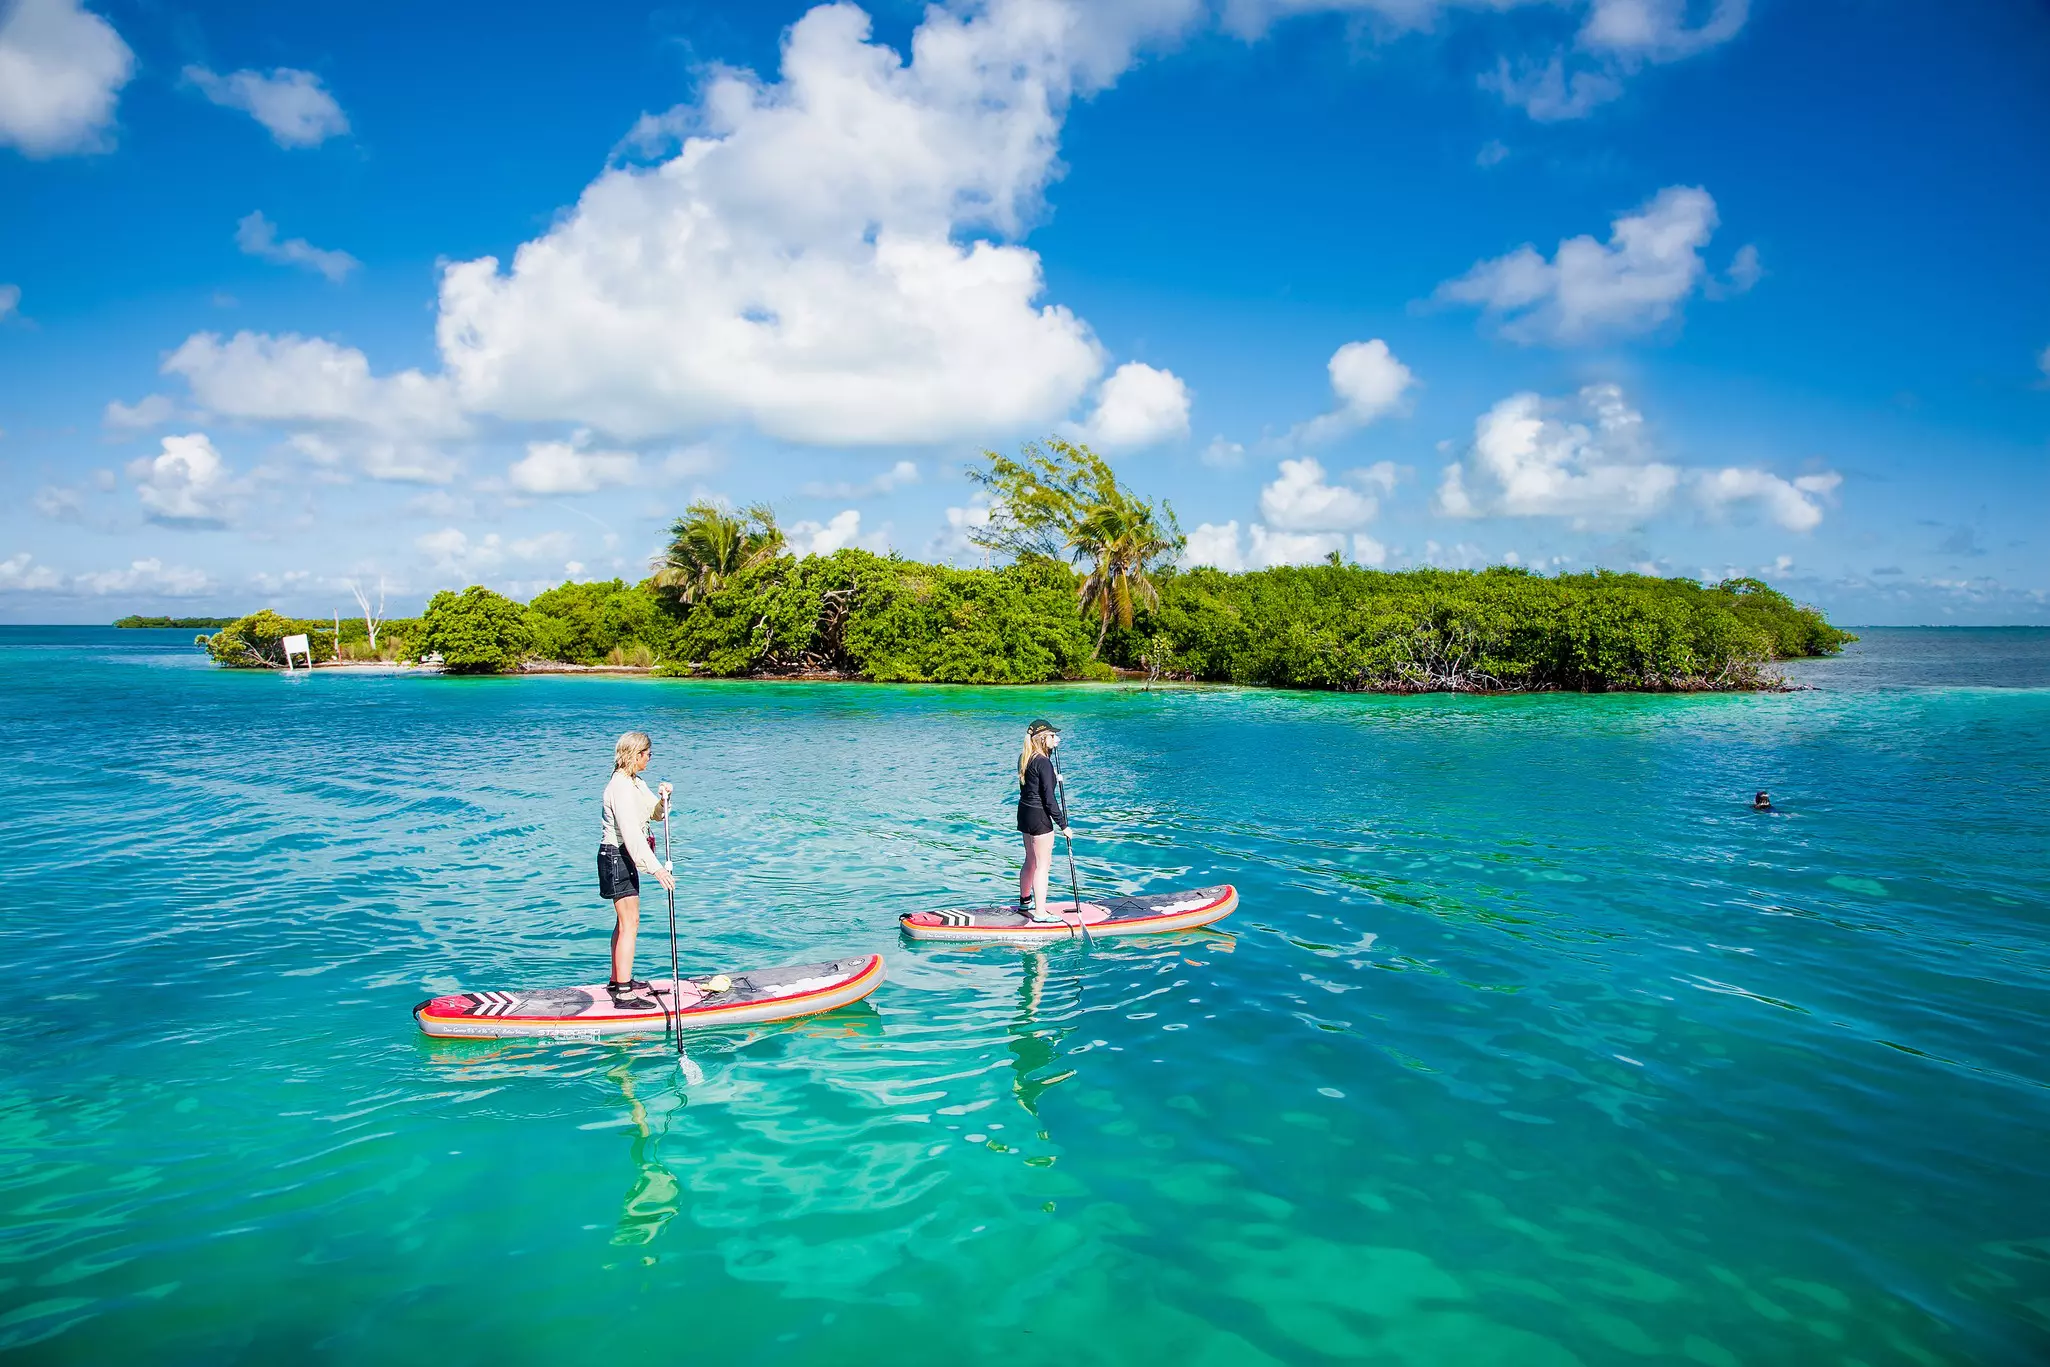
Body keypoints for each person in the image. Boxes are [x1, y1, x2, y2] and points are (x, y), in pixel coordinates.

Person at [599, 731, 674, 1008]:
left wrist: (664, 798)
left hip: (625, 856)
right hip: (616, 856)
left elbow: (655, 814)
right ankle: (623, 992)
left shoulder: (635, 782)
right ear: (636, 754)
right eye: (648, 754)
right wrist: (656, 870)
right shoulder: (619, 787)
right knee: (630, 922)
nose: (650, 759)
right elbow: (631, 835)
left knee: (626, 921)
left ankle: (618, 978)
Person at [1015, 719, 1068, 923]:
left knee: (1030, 860)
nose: (1058, 739)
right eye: (1053, 736)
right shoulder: (1043, 762)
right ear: (1042, 738)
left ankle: (1024, 901)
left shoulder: (1025, 757)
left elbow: (1030, 786)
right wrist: (1063, 825)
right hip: (1039, 817)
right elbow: (1049, 799)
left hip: (1025, 813)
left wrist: (1053, 775)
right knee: (1043, 865)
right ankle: (1040, 913)